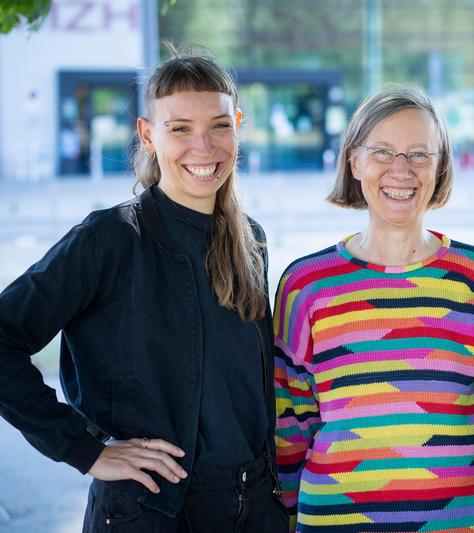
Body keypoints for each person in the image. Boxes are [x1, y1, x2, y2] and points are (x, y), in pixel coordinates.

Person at [0, 49, 288, 532]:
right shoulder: (108, 239)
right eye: (179, 128)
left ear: (238, 126)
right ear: (147, 135)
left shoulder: (250, 238)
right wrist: (84, 449)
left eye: (220, 125)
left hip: (254, 505)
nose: (204, 146)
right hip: (152, 512)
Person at [272, 85, 474, 532]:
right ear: (354, 161)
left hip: (462, 522)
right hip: (334, 521)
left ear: (440, 167)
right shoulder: (305, 286)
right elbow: (291, 426)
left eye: (420, 154)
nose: (401, 170)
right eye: (382, 151)